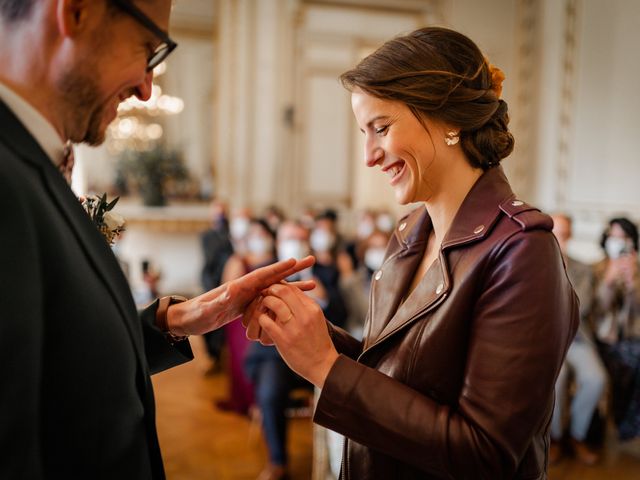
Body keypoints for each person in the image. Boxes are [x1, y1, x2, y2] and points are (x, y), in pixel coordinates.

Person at [245, 27, 578, 479]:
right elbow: (405, 374)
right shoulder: (410, 233)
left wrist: (326, 367)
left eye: (381, 128)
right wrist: (311, 334)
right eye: (364, 132)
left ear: (448, 118)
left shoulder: (522, 252)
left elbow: (484, 453)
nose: (369, 155)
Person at [0, 1, 312, 477]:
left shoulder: (36, 158)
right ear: (76, 11)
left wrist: (176, 319)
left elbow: (61, 372)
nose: (147, 88)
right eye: (148, 49)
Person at [549, 214, 607, 465]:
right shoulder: (531, 263)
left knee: (596, 379)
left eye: (563, 233)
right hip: (547, 339)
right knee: (556, 379)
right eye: (554, 232)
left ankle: (577, 435)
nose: (558, 238)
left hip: (577, 337)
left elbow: (579, 307)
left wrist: (560, 266)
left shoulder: (582, 269)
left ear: (570, 235)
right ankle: (555, 438)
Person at [593, 217, 640, 441]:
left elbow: (636, 313)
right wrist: (609, 282)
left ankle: (626, 423)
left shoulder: (637, 270)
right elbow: (596, 309)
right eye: (614, 236)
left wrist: (633, 285)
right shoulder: (595, 268)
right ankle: (613, 422)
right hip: (602, 337)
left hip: (631, 338)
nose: (618, 242)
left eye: (624, 237)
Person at [200, 199, 234, 373]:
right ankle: (213, 356)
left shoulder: (232, 233)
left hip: (229, 279)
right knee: (203, 316)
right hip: (211, 280)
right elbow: (208, 262)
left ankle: (221, 356)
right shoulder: (206, 235)